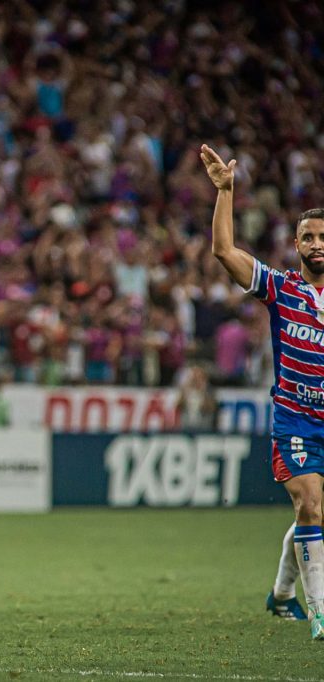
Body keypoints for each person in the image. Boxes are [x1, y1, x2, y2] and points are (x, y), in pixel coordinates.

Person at [201, 143, 324, 639]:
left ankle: (281, 593)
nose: (317, 244)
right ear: (296, 244)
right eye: (309, 237)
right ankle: (320, 612)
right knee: (310, 504)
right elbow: (224, 252)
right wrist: (225, 192)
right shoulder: (282, 288)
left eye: (323, 237)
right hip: (294, 418)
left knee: (315, 515)